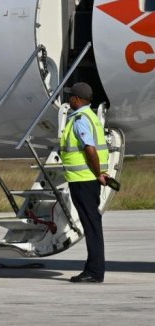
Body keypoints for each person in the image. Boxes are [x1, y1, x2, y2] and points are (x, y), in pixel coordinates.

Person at [60, 82, 109, 283]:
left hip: (84, 180)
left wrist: (98, 173)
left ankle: (95, 271)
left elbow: (90, 149)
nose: (69, 99)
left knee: (92, 225)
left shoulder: (80, 119)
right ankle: (93, 269)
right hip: (86, 180)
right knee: (92, 225)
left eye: (71, 96)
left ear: (78, 99)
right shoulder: (91, 117)